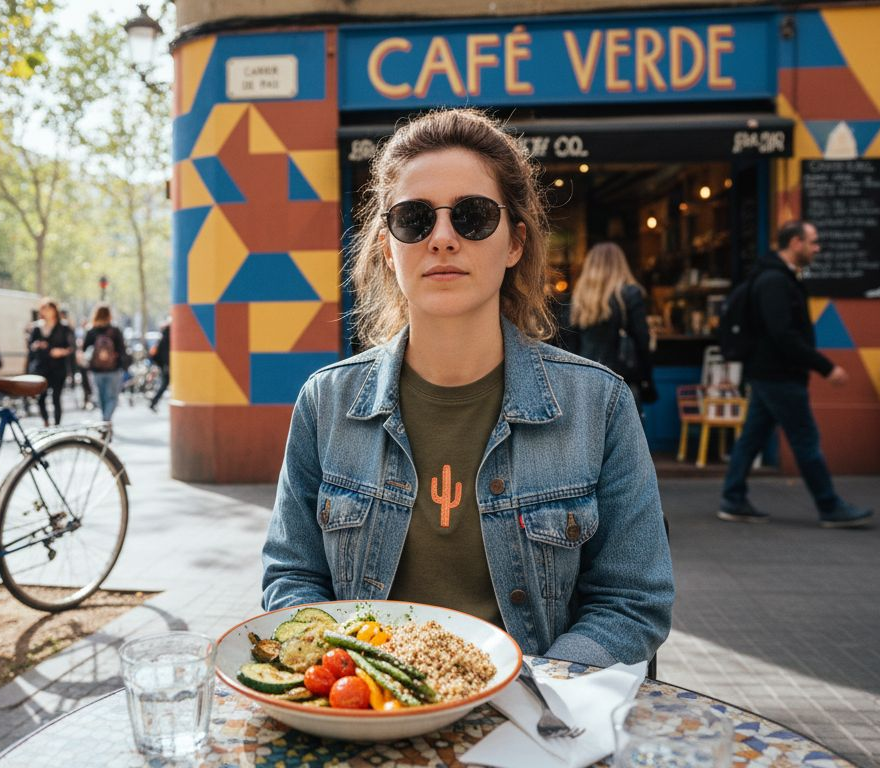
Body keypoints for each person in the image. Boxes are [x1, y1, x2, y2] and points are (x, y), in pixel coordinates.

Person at [260, 109, 673, 668]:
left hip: (536, 712)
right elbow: (292, 576)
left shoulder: (598, 405)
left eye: (473, 216)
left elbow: (632, 602)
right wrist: (351, 677)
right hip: (371, 705)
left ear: (515, 243)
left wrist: (534, 690)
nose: (442, 239)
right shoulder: (325, 403)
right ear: (387, 248)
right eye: (413, 219)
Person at [718, 221, 873, 528]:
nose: (817, 248)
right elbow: (783, 334)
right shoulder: (775, 281)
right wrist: (826, 367)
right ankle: (829, 505)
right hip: (779, 374)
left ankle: (733, 498)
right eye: (813, 242)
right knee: (805, 440)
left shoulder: (777, 276)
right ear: (795, 243)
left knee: (752, 438)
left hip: (770, 372)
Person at [569, 242, 655, 413]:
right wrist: (646, 379)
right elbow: (642, 342)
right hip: (623, 383)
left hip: (586, 384)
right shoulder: (630, 294)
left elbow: (570, 345)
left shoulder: (579, 298)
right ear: (621, 264)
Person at [27, 298, 74, 427]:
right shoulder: (36, 327)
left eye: (49, 309)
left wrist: (61, 352)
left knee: (56, 397)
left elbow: (71, 347)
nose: (47, 311)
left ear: (54, 310)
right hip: (41, 367)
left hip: (58, 367)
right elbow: (30, 347)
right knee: (41, 397)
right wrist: (36, 345)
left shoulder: (64, 327)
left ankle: (57, 425)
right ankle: (46, 422)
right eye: (44, 309)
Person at [83, 304, 128, 424]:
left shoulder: (91, 331)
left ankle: (104, 421)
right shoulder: (115, 330)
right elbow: (122, 349)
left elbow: (84, 349)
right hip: (114, 369)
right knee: (112, 397)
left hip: (96, 370)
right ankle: (106, 420)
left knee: (100, 397)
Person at [148, 317, 171, 411]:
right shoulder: (168, 336)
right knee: (164, 384)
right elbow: (165, 353)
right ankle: (154, 402)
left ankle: (154, 402)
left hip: (165, 364)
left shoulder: (164, 336)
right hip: (167, 365)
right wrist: (166, 365)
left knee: (164, 384)